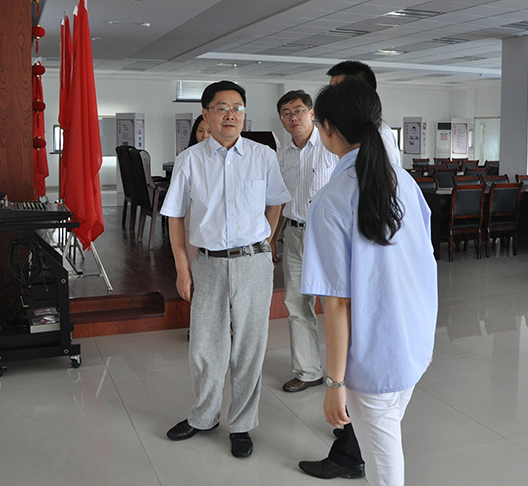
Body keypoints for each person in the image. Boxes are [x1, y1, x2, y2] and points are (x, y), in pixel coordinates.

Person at [301, 79, 437, 486]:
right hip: (411, 343)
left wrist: (334, 383)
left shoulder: (332, 200)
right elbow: (424, 264)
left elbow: (337, 302)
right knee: (385, 445)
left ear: (327, 128)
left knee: (383, 464)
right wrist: (423, 337)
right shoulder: (404, 183)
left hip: (371, 357)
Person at [160, 80, 291, 458]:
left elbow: (276, 202)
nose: (230, 114)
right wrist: (182, 268)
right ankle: (203, 417)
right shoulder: (189, 160)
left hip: (253, 264)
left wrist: (265, 241)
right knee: (205, 347)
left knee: (250, 347)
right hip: (209, 263)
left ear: (244, 114)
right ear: (206, 114)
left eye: (237, 108)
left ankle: (242, 424)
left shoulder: (263, 156)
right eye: (222, 108)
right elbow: (174, 217)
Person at [270, 90, 338, 393]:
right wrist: (273, 237)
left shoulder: (331, 147)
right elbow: (279, 201)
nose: (292, 117)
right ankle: (308, 371)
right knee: (297, 303)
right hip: (295, 235)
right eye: (286, 113)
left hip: (329, 236)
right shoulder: (282, 156)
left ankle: (343, 373)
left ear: (311, 113)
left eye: (298, 110)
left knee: (335, 304)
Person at [326, 60, 401, 167]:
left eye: (336, 90)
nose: (330, 97)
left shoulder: (380, 134)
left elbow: (386, 174)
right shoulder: (342, 131)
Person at [184, 114, 210, 264]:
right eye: (200, 131)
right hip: (193, 219)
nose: (204, 135)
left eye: (209, 131)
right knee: (194, 263)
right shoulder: (188, 157)